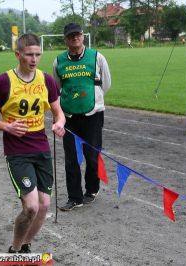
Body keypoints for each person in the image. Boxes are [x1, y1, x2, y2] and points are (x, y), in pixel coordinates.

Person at [0, 33, 66, 253]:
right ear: (17, 54)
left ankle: (25, 247)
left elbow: (59, 113)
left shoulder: (47, 80)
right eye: (29, 54)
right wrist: (6, 126)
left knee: (44, 205)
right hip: (17, 151)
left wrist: (59, 123)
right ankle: (15, 250)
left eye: (38, 54)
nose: (34, 59)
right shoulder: (3, 81)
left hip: (41, 148)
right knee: (31, 206)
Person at [53, 23, 111, 211]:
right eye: (71, 36)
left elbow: (106, 84)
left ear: (83, 36)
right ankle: (74, 197)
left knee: (92, 156)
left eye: (77, 35)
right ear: (66, 39)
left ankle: (92, 189)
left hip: (93, 115)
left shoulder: (97, 57)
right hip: (68, 116)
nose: (75, 38)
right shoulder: (58, 61)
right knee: (71, 158)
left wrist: (94, 100)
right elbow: (57, 87)